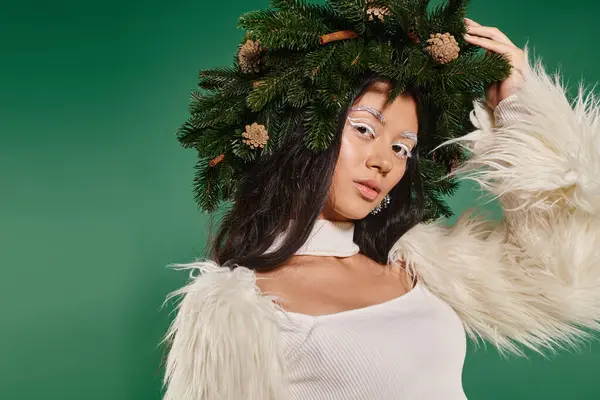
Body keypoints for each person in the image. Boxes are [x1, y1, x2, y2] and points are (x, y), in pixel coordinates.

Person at [161, 3, 600, 400]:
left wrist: (518, 108)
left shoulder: (415, 265)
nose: (384, 163)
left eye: (402, 148)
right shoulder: (241, 309)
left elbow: (562, 274)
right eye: (365, 130)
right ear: (306, 131)